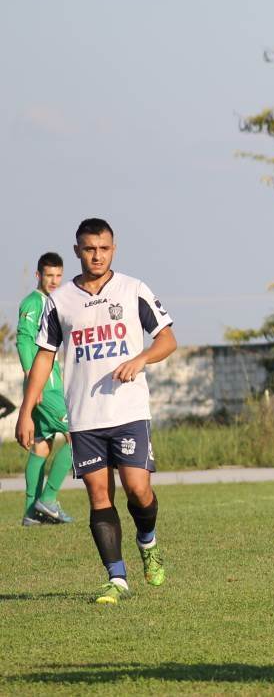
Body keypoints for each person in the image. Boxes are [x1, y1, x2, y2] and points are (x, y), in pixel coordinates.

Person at [14, 218, 176, 603]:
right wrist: (26, 410)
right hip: (85, 416)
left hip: (128, 411)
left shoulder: (133, 289)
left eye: (104, 248)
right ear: (78, 251)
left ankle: (148, 541)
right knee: (99, 495)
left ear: (113, 249)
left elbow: (167, 340)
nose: (97, 256)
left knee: (138, 490)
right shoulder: (59, 301)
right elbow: (43, 357)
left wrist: (140, 359)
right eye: (89, 249)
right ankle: (117, 579)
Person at [17, 252, 75, 525]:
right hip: (44, 387)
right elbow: (24, 340)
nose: (54, 280)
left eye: (58, 275)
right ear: (38, 275)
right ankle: (48, 499)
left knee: (42, 443)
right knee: (80, 435)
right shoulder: (33, 302)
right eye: (48, 275)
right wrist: (33, 381)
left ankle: (31, 513)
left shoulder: (53, 302)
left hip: (50, 384)